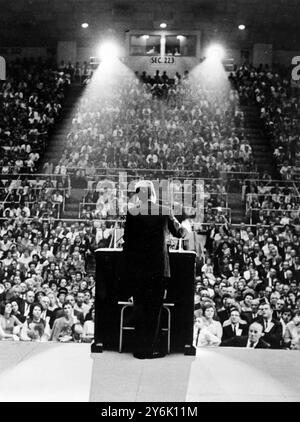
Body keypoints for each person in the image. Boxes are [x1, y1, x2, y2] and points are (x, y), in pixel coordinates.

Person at [122, 180, 186, 359]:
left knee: (140, 306)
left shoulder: (132, 212)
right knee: (154, 308)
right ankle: (149, 349)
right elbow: (179, 233)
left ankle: (138, 348)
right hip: (158, 268)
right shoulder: (164, 210)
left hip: (138, 269)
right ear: (152, 193)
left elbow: (127, 241)